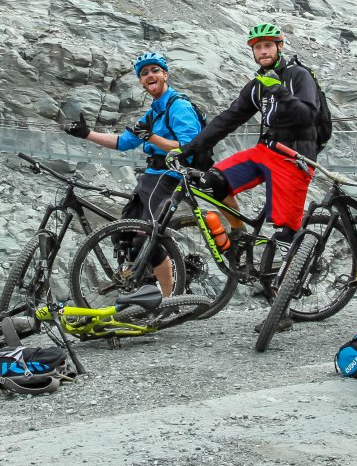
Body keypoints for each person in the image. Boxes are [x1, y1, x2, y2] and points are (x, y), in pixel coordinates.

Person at [168, 23, 325, 279]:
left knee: (284, 237)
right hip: (265, 151)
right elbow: (228, 119)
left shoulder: (298, 75)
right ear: (253, 52)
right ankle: (240, 234)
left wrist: (281, 92)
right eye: (258, 47)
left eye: (268, 46)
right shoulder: (257, 85)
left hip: (296, 156)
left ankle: (281, 310)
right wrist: (189, 149)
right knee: (211, 182)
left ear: (279, 47)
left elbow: (308, 116)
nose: (263, 51)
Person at [62, 51, 204, 294]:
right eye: (144, 73)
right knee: (122, 235)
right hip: (150, 178)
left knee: (145, 238)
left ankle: (171, 298)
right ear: (141, 81)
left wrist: (152, 137)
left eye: (155, 70)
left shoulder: (178, 106)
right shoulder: (154, 113)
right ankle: (146, 290)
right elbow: (123, 141)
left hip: (170, 178)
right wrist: (87, 134)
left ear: (165, 75)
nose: (150, 75)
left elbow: (189, 147)